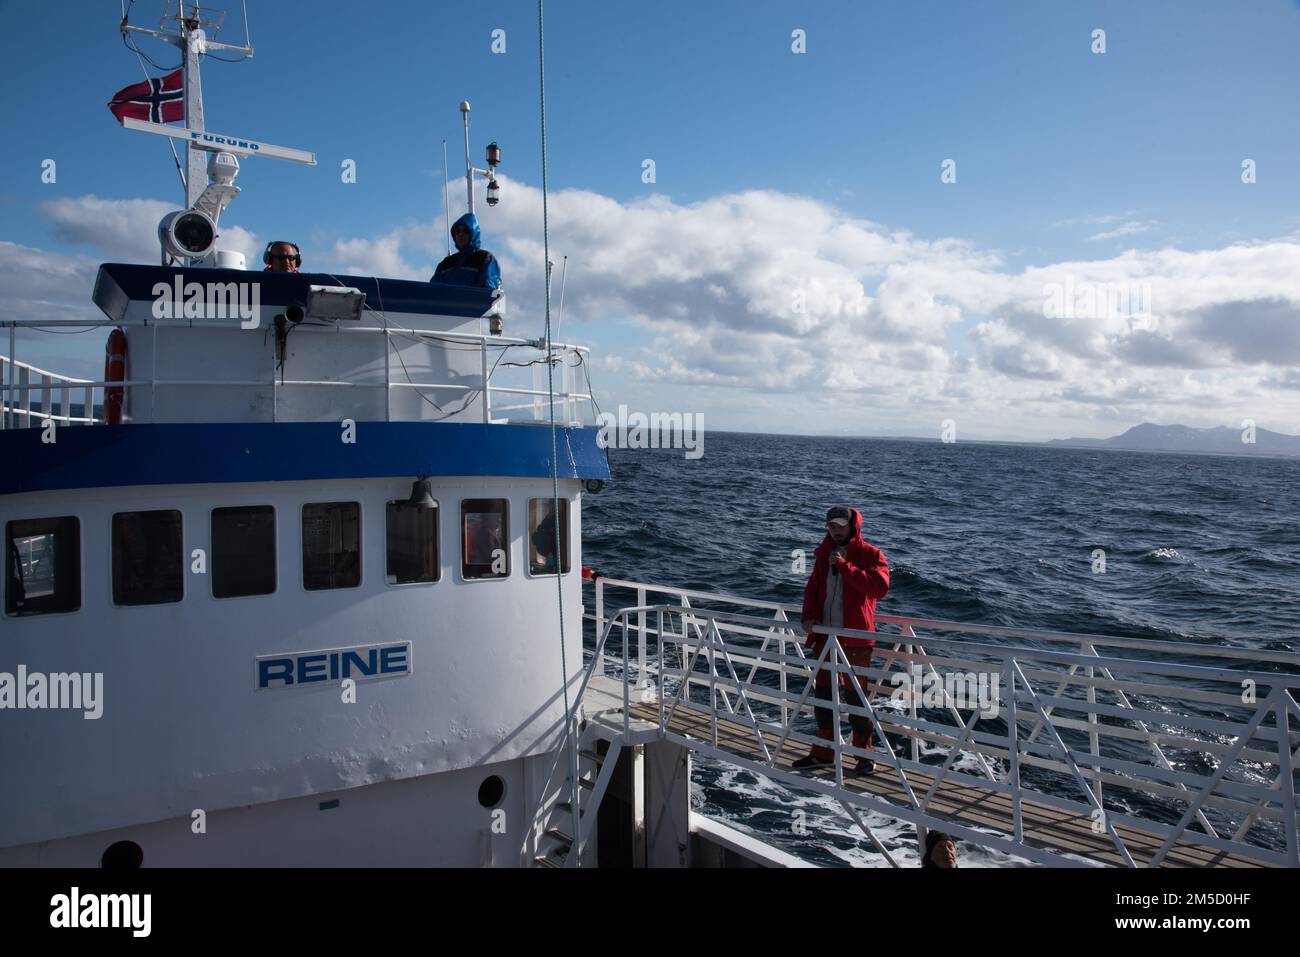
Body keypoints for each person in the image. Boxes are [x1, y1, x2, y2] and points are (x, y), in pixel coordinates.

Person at [793, 506, 890, 774]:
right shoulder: (823, 554)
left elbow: (879, 588)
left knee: (857, 699)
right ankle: (824, 753)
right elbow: (812, 589)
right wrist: (809, 616)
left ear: (853, 526)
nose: (835, 531)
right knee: (824, 696)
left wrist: (846, 567)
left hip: (856, 640)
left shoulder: (870, 554)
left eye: (840, 526)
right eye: (831, 527)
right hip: (826, 637)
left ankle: (864, 756)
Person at [430, 213, 501, 290]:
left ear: (473, 233)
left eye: (465, 231)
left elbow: (488, 291)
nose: (460, 234)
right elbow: (432, 290)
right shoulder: (445, 264)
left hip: (472, 301)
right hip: (447, 302)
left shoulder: (484, 259)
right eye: (457, 231)